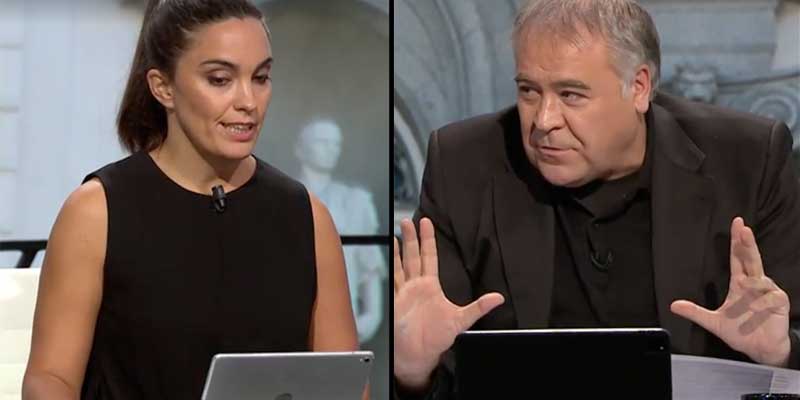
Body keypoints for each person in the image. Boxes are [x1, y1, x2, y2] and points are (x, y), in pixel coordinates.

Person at [393, 0, 800, 398]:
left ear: (639, 87)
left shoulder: (748, 162)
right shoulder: (463, 166)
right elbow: (443, 377)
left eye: (571, 95)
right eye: (529, 91)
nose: (544, 120)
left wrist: (781, 355)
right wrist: (413, 372)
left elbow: (791, 337)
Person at [21, 1, 365, 399]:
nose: (248, 101)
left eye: (260, 77)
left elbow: (345, 383)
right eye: (220, 79)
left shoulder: (307, 217)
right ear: (162, 87)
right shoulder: (96, 212)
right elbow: (50, 379)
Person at [295, 119, 387, 344]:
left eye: (336, 143)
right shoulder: (280, 198)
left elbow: (370, 270)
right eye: (322, 142)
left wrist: (367, 321)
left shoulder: (356, 201)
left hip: (343, 330)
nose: (331, 149)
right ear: (301, 148)